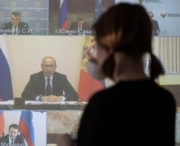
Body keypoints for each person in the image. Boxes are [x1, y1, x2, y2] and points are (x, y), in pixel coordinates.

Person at [57, 3, 176, 146]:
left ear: (111, 48)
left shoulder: (101, 104)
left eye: (98, 44)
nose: (95, 53)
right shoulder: (165, 100)